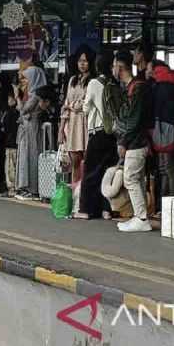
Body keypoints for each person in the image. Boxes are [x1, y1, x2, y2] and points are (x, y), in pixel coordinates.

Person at [77, 49, 119, 220]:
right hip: (113, 134)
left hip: (98, 132)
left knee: (91, 171)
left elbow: (86, 108)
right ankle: (106, 209)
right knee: (108, 172)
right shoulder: (115, 83)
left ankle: (86, 210)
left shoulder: (94, 83)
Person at [113, 50, 153, 232]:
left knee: (130, 178)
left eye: (114, 66)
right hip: (136, 140)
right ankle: (141, 215)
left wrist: (123, 141)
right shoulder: (131, 88)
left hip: (137, 141)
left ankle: (141, 218)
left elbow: (132, 121)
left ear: (120, 67)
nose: (113, 69)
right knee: (137, 179)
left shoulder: (137, 88)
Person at [146, 59, 174, 197]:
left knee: (167, 169)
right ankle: (169, 206)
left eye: (149, 69)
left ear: (156, 70)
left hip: (162, 130)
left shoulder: (159, 85)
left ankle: (167, 205)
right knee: (168, 168)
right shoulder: (172, 83)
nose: (147, 71)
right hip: (170, 129)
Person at [60, 45, 95, 184]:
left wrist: (72, 105)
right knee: (74, 162)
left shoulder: (93, 81)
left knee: (86, 162)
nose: (82, 63)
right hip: (72, 124)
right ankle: (75, 194)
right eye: (80, 60)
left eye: (85, 61)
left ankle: (85, 194)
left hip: (86, 122)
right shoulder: (72, 80)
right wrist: (61, 128)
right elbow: (66, 104)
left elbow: (85, 103)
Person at [14, 67, 44, 201]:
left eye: (26, 78)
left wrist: (17, 97)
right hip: (26, 128)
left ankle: (33, 188)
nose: (24, 81)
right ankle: (25, 186)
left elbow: (23, 109)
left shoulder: (36, 95)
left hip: (32, 127)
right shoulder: (29, 93)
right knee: (25, 156)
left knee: (32, 155)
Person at [0, 91, 20, 198]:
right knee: (16, 165)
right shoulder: (19, 112)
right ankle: (16, 187)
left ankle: (11, 188)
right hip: (17, 143)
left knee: (10, 166)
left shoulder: (9, 113)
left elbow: (4, 127)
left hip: (10, 143)